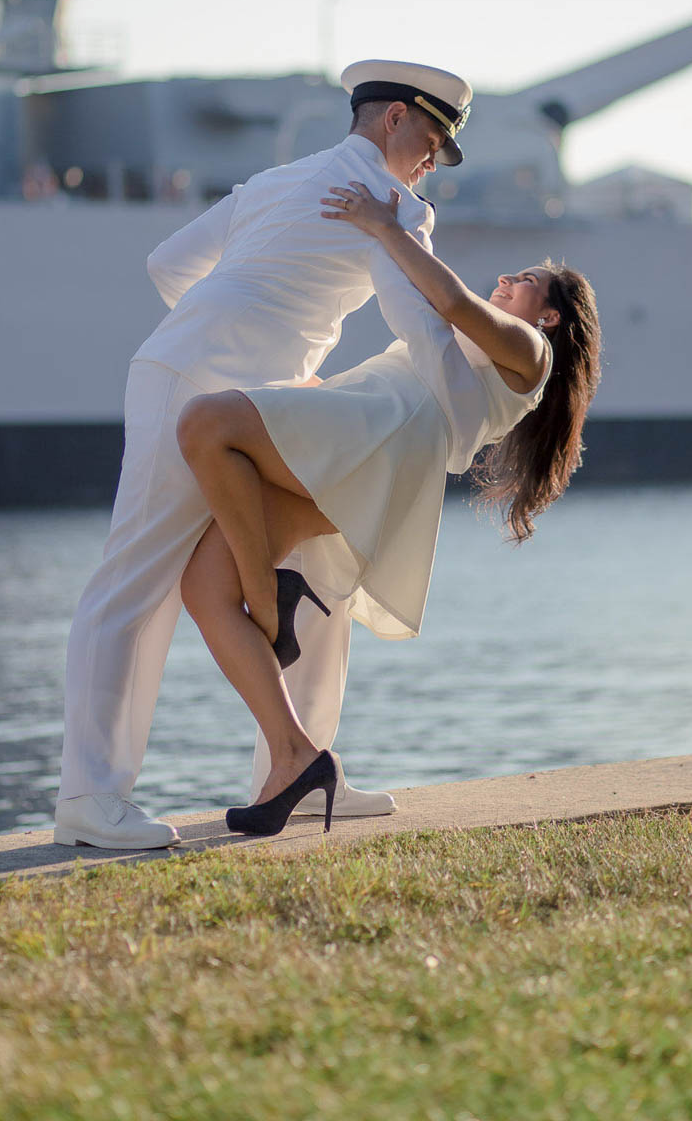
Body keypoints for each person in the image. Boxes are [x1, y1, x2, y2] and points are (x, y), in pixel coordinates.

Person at [55, 60, 473, 849]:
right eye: (433, 137)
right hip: (218, 390)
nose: (433, 159)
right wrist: (464, 423)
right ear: (393, 120)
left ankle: (304, 766)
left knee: (314, 564)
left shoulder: (278, 179)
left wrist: (247, 339)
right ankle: (90, 797)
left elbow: (167, 265)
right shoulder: (391, 205)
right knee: (135, 583)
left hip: (212, 378)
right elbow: (418, 320)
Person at [176, 179, 602, 835]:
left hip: (384, 440)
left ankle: (268, 600)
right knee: (203, 586)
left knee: (204, 423)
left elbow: (451, 300)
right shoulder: (476, 352)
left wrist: (383, 224)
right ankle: (297, 754)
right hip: (369, 434)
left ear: (549, 316)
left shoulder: (532, 352)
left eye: (525, 280)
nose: (507, 279)